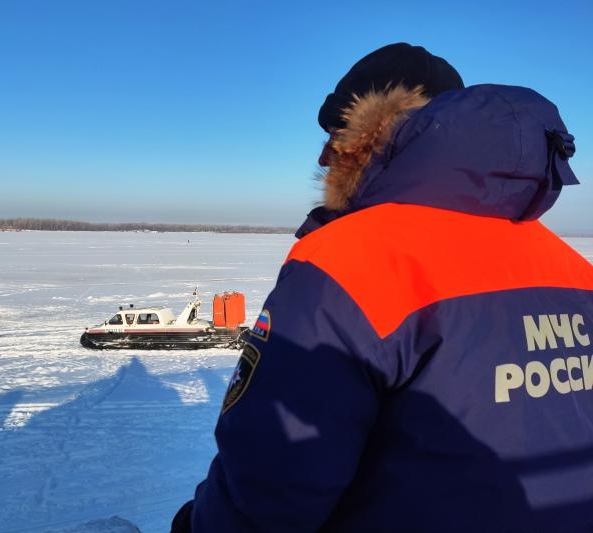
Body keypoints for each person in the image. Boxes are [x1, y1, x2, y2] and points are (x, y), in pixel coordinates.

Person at [171, 43, 593, 532]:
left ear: (377, 138)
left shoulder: (349, 262)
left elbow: (273, 481)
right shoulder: (570, 268)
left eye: (337, 135)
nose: (324, 156)